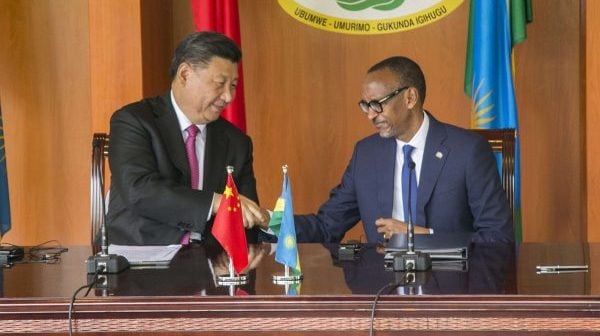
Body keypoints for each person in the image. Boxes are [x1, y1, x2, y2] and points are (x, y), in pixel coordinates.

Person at [291, 56, 513, 243]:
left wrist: (426, 236)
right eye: (366, 106)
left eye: (378, 104)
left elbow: (498, 236)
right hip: (383, 288)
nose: (370, 115)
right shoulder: (366, 154)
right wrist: (269, 220)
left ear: (410, 98)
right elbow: (326, 226)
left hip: (450, 284)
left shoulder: (467, 150)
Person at [106, 32, 268, 245]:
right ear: (184, 74)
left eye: (234, 85)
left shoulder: (237, 142)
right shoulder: (134, 121)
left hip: (212, 264)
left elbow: (244, 218)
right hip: (142, 261)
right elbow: (139, 190)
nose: (228, 96)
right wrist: (216, 202)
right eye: (220, 83)